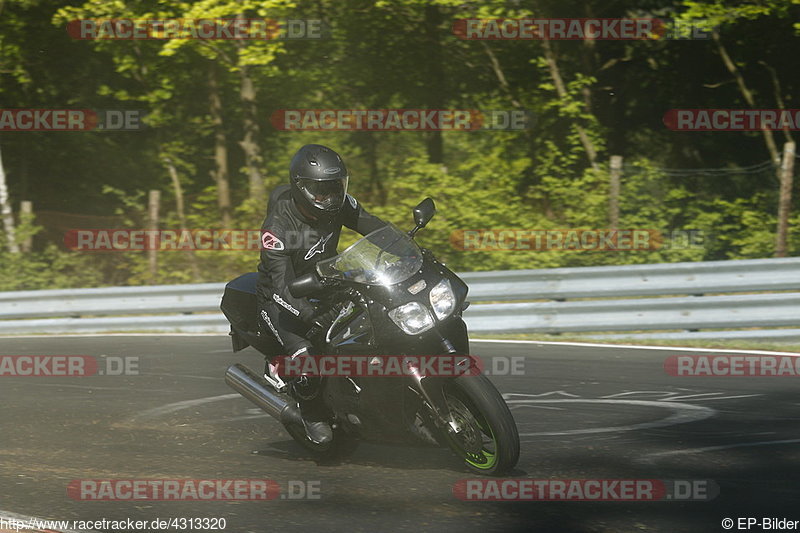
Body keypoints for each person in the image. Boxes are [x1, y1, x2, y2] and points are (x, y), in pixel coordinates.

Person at [256, 144, 387, 444]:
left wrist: (408, 249)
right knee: (308, 357)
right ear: (300, 188)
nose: (330, 196)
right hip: (281, 298)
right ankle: (310, 411)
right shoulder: (278, 227)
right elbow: (280, 285)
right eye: (321, 189)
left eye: (335, 187)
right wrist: (307, 315)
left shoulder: (341, 203)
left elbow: (374, 228)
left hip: (328, 282)